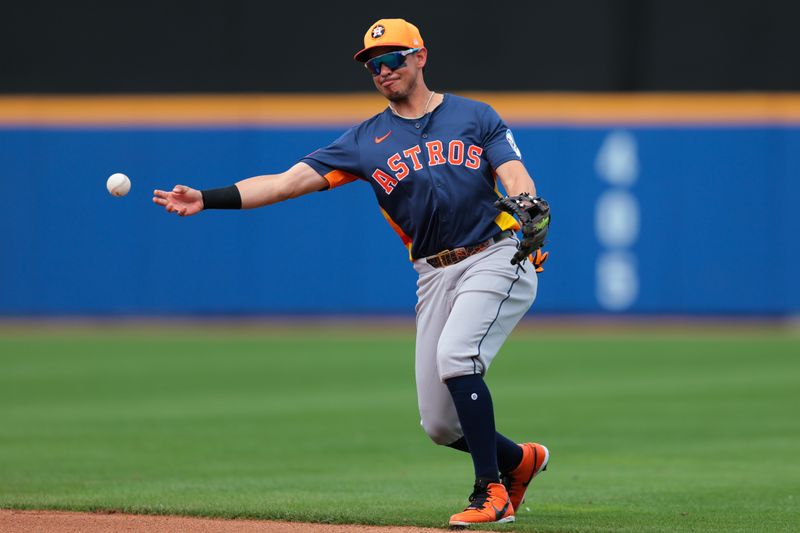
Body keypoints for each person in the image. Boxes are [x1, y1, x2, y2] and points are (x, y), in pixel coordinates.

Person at [153, 18, 550, 527]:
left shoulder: (474, 116)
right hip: (433, 274)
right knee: (439, 423)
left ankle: (489, 493)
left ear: (420, 57)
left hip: (494, 255)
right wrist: (207, 198)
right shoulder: (366, 141)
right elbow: (284, 183)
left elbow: (512, 170)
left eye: (392, 59)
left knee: (456, 357)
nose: (383, 70)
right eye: (373, 64)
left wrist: (525, 201)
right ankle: (520, 462)